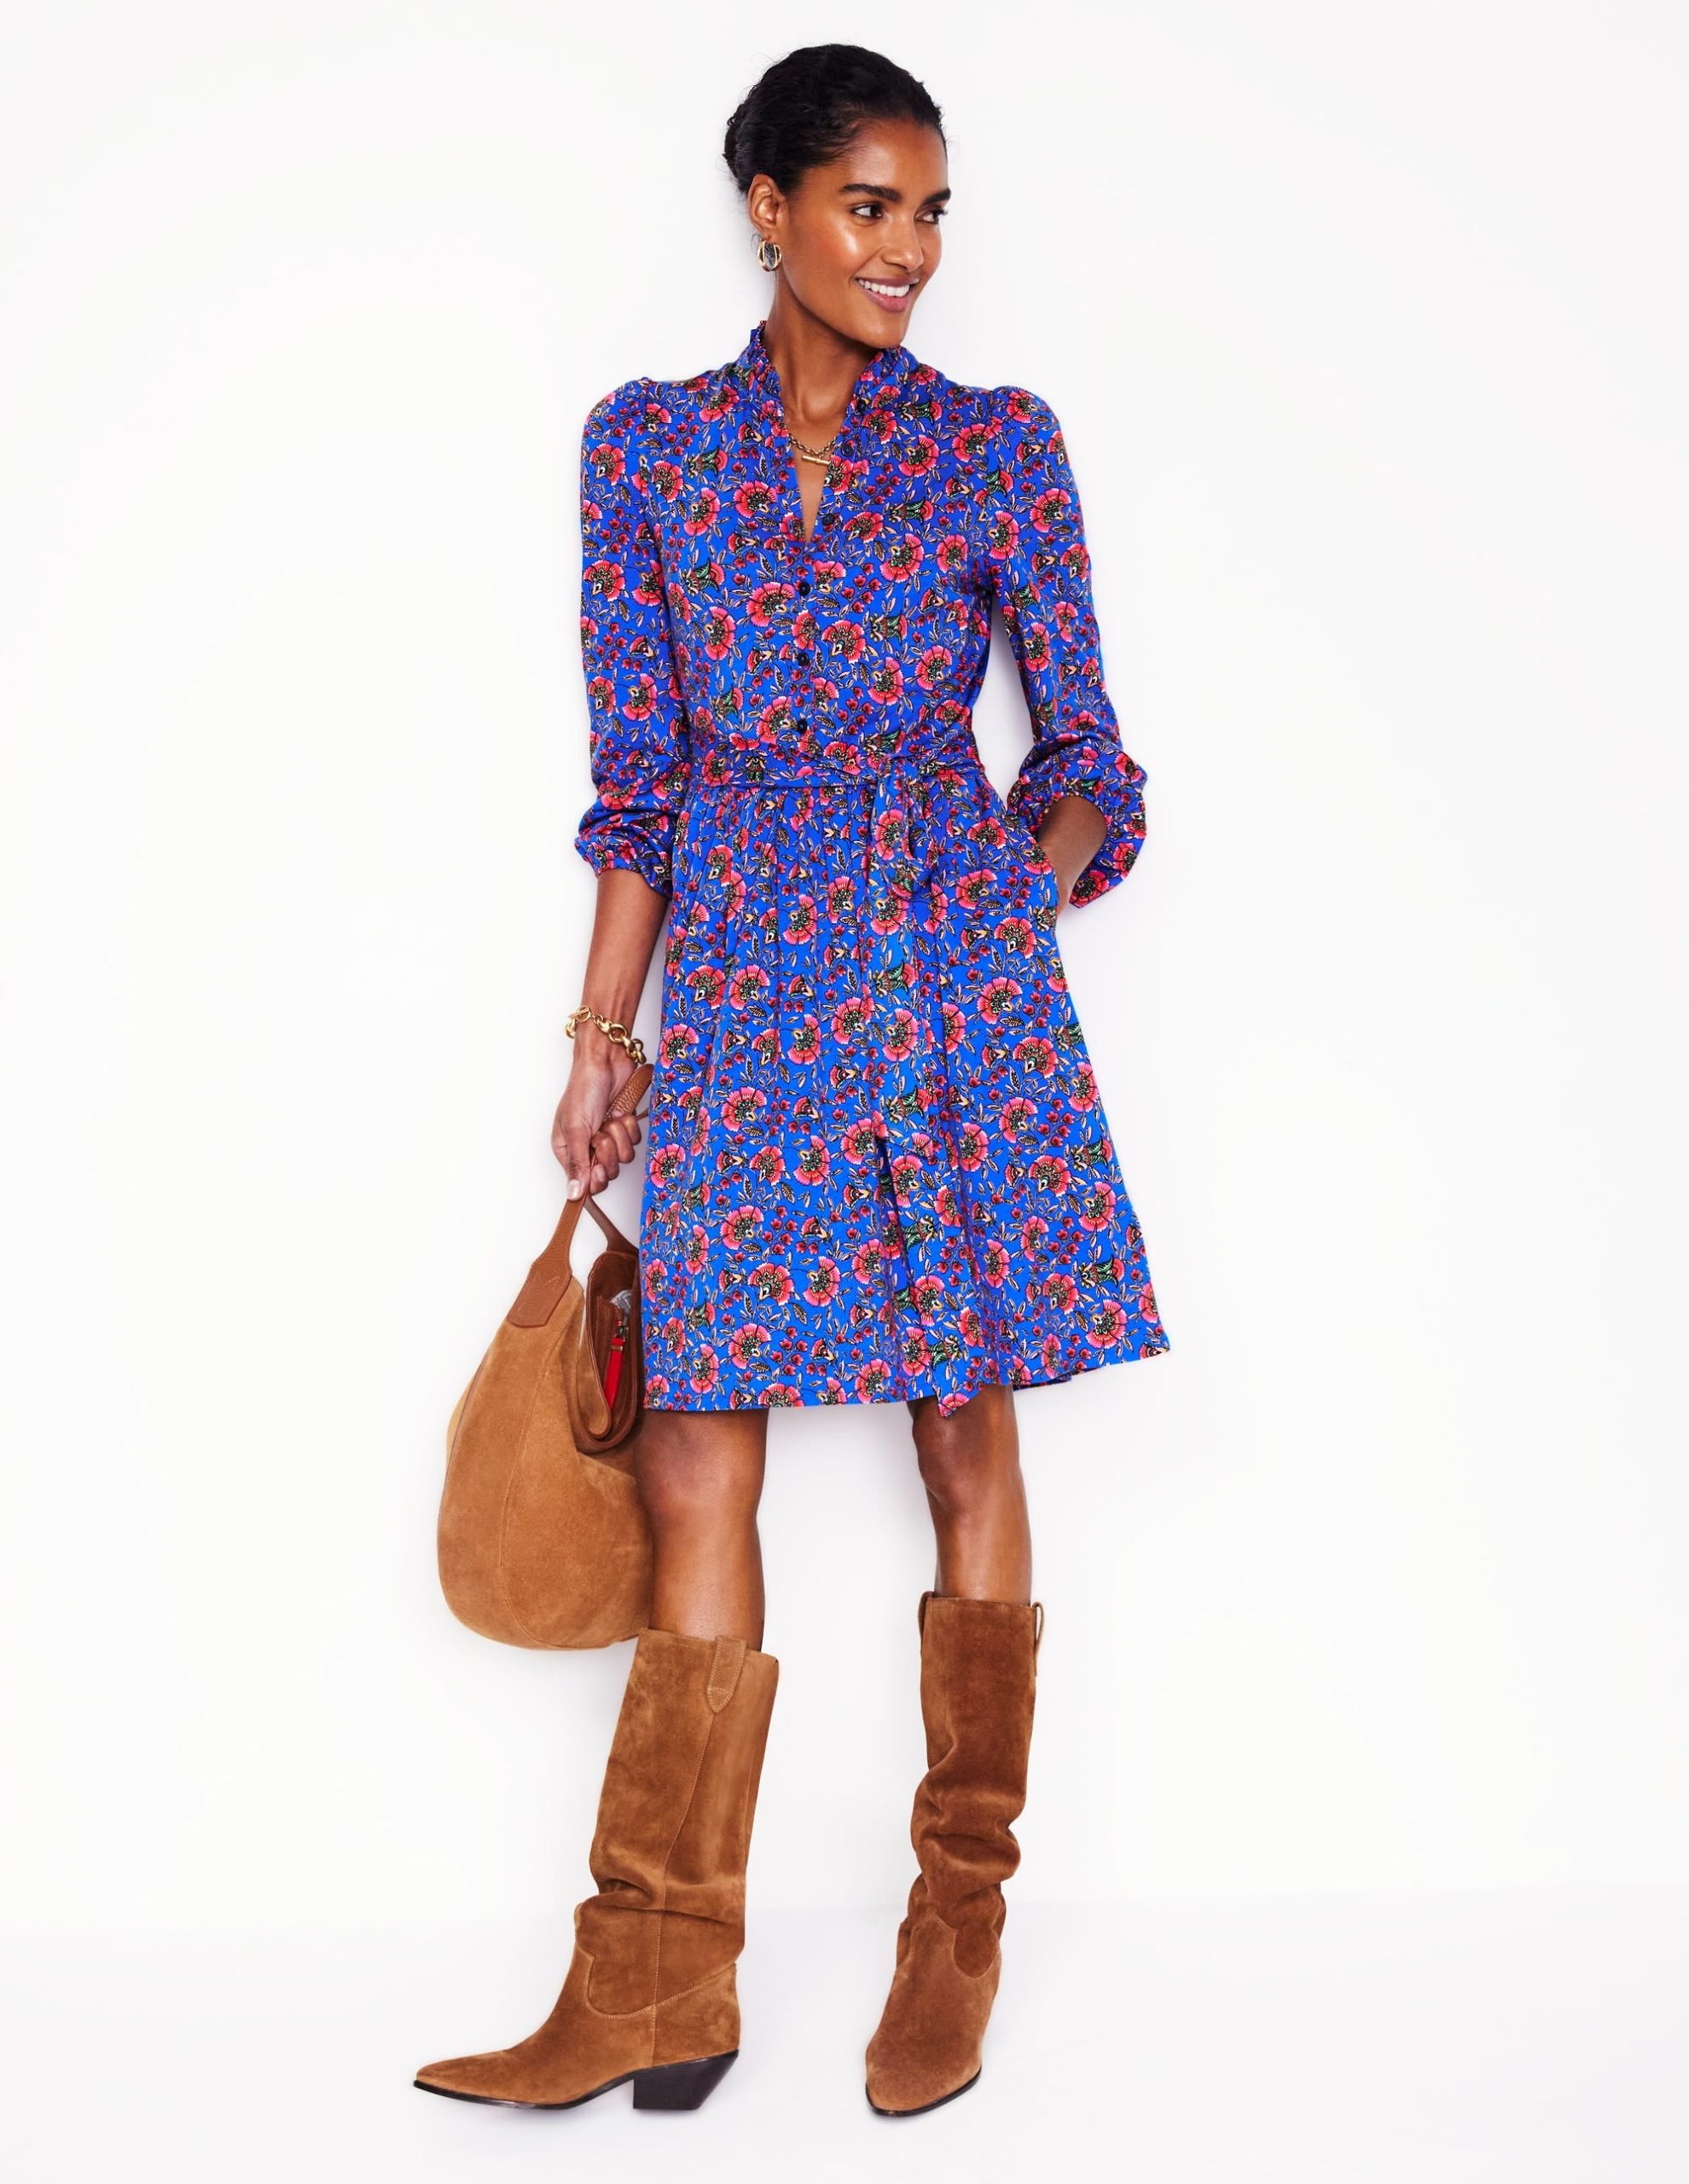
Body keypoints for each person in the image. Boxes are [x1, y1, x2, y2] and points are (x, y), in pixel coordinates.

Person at [415, 41, 1169, 2120]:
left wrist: (1009, 903)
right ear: (769, 207)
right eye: (868, 205)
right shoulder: (648, 449)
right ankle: (659, 1969)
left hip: (946, 989)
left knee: (962, 1424)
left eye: (930, 214)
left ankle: (957, 1923)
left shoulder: (1000, 445)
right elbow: (639, 783)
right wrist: (602, 1040)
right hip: (746, 989)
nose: (908, 249)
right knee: (690, 1449)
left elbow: (1089, 754)